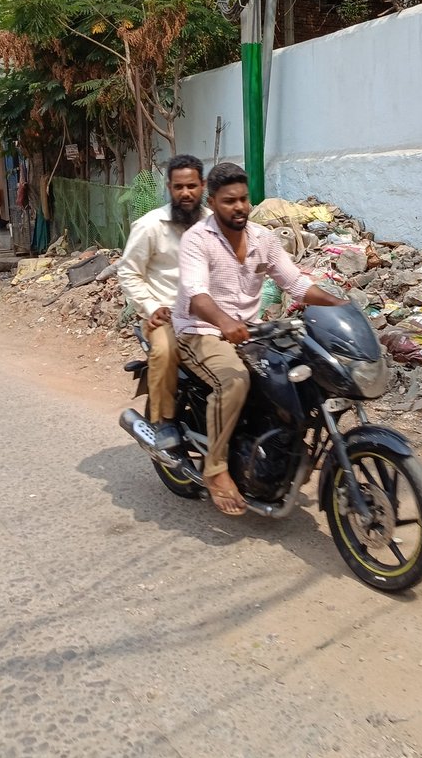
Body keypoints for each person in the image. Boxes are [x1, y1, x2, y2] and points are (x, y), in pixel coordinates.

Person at [174, 161, 341, 517]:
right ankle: (216, 468)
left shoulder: (264, 238)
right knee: (234, 381)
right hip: (200, 331)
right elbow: (197, 295)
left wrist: (341, 304)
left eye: (244, 200)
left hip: (250, 332)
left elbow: (295, 284)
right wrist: (224, 321)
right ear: (213, 201)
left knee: (301, 376)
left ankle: (283, 448)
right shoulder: (196, 240)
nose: (239, 208)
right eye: (229, 201)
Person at [116, 154, 208, 443]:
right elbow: (129, 272)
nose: (186, 193)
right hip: (166, 315)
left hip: (209, 313)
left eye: (191, 186)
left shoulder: (214, 224)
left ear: (203, 186)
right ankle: (164, 420)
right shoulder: (150, 226)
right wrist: (152, 308)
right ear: (169, 188)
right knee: (165, 351)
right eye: (179, 187)